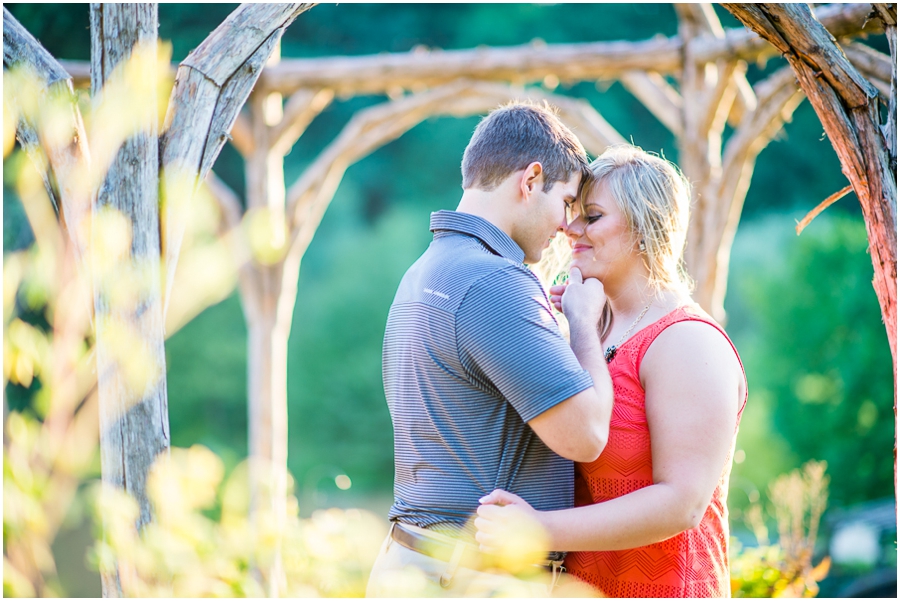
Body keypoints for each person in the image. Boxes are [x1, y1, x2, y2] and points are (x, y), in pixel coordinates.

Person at [475, 145, 748, 598]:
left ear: (645, 228)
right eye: (574, 213)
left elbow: (682, 502)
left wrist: (539, 529)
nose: (571, 229)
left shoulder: (687, 341)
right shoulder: (590, 326)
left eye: (593, 216)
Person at [366, 102, 616, 597]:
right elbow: (585, 436)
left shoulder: (424, 271)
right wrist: (582, 324)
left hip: (415, 562)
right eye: (566, 202)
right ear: (530, 180)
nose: (567, 227)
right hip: (470, 576)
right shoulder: (494, 282)